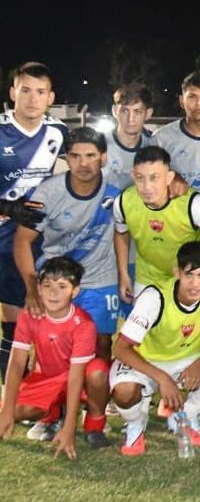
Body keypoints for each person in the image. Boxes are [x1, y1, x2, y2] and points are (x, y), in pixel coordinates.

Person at [109, 241, 200, 456]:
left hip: (188, 358)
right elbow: (121, 349)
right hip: (146, 361)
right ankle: (136, 425)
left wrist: (199, 365)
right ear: (177, 273)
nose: (195, 284)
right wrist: (162, 378)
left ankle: (184, 416)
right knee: (124, 392)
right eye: (189, 275)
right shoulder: (154, 297)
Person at [15, 127, 123, 363]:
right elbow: (22, 240)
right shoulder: (47, 192)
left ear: (103, 158)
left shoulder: (117, 189)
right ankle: (55, 395)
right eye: (75, 156)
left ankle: (96, 398)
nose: (83, 163)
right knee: (54, 345)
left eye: (90, 156)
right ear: (67, 159)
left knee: (101, 343)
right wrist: (33, 287)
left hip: (100, 278)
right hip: (57, 278)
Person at [0, 257, 111, 455]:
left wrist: (69, 429)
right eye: (47, 285)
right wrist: (7, 411)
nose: (53, 292)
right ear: (39, 289)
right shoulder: (29, 315)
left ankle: (94, 425)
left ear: (74, 291)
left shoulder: (83, 324)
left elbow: (76, 377)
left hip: (78, 379)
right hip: (49, 378)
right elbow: (17, 362)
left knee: (98, 372)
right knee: (15, 411)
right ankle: (53, 412)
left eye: (62, 286)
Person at [0, 62, 68, 377]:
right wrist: (9, 206)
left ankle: (45, 383)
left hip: (44, 238)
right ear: (13, 92)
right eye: (25, 90)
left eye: (40, 92)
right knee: (14, 316)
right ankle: (14, 380)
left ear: (50, 97)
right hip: (4, 236)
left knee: (46, 310)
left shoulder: (59, 132)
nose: (32, 98)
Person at [113, 146, 200, 301]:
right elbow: (121, 233)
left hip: (190, 279)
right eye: (140, 177)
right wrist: (123, 274)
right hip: (148, 279)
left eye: (154, 177)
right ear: (133, 176)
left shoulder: (193, 204)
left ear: (169, 177)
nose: (147, 186)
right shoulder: (123, 202)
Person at [103, 83, 156, 190]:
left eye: (137, 111)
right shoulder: (99, 144)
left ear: (148, 113)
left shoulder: (155, 144)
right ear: (114, 111)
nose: (130, 119)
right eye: (125, 111)